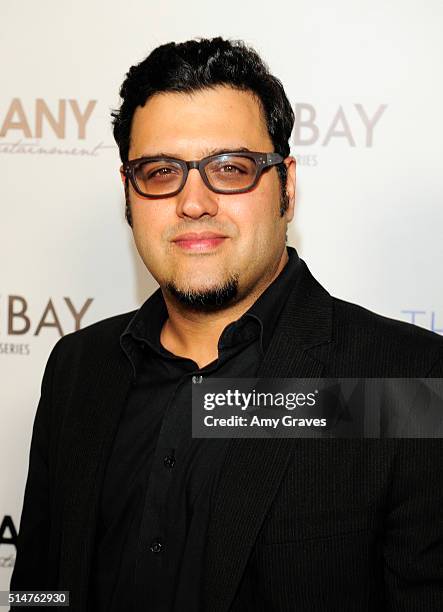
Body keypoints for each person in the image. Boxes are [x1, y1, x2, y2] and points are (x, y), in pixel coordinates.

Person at [10, 37, 443, 611]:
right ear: (129, 194)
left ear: (285, 186)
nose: (194, 203)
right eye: (161, 172)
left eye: (230, 169)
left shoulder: (406, 382)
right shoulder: (77, 368)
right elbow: (42, 589)